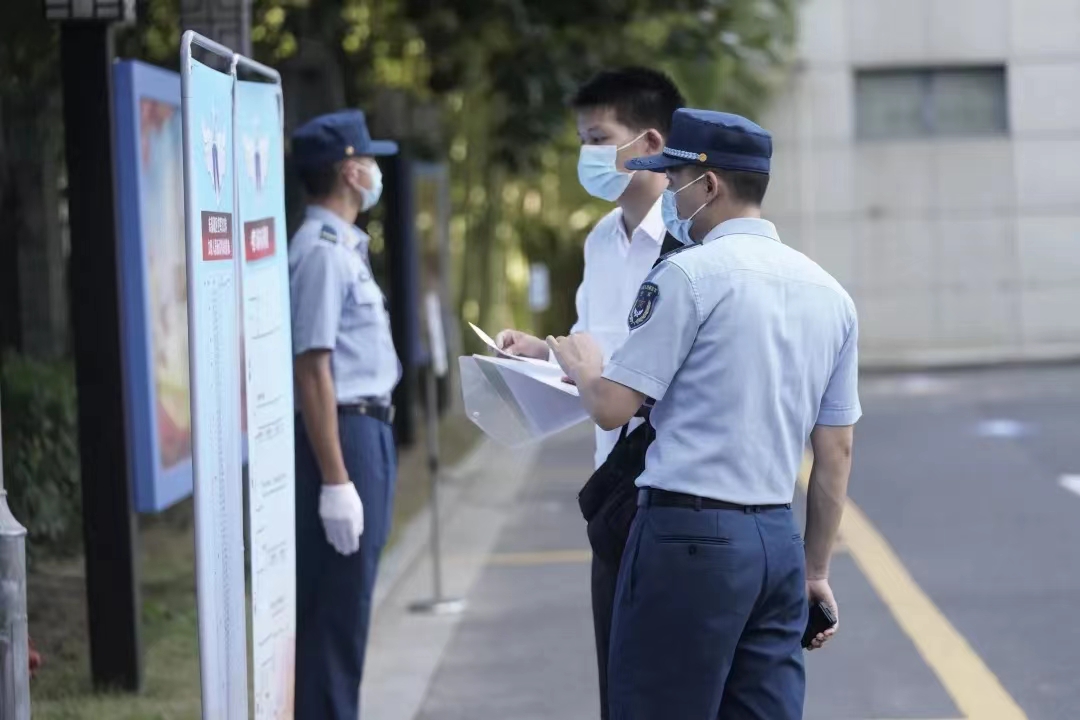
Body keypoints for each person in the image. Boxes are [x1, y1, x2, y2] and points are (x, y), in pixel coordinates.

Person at [549, 108, 861, 719]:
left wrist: (584, 363)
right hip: (775, 543)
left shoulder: (687, 276)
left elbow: (614, 408)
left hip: (686, 538)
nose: (669, 194)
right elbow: (836, 452)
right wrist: (815, 570)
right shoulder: (830, 293)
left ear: (709, 184)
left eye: (675, 179)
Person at [493, 67, 684, 719]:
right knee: (621, 693)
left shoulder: (692, 244)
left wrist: (593, 367)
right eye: (581, 139)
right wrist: (544, 352)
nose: (587, 156)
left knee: (675, 692)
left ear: (651, 141)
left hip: (679, 499)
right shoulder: (601, 241)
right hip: (613, 495)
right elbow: (591, 346)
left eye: (599, 138)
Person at [288, 109, 401, 720]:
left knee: (351, 605)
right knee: (337, 608)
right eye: (370, 160)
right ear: (350, 170)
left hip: (367, 428)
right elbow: (312, 368)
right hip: (346, 433)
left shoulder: (344, 248)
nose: (377, 171)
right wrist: (335, 480)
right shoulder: (321, 252)